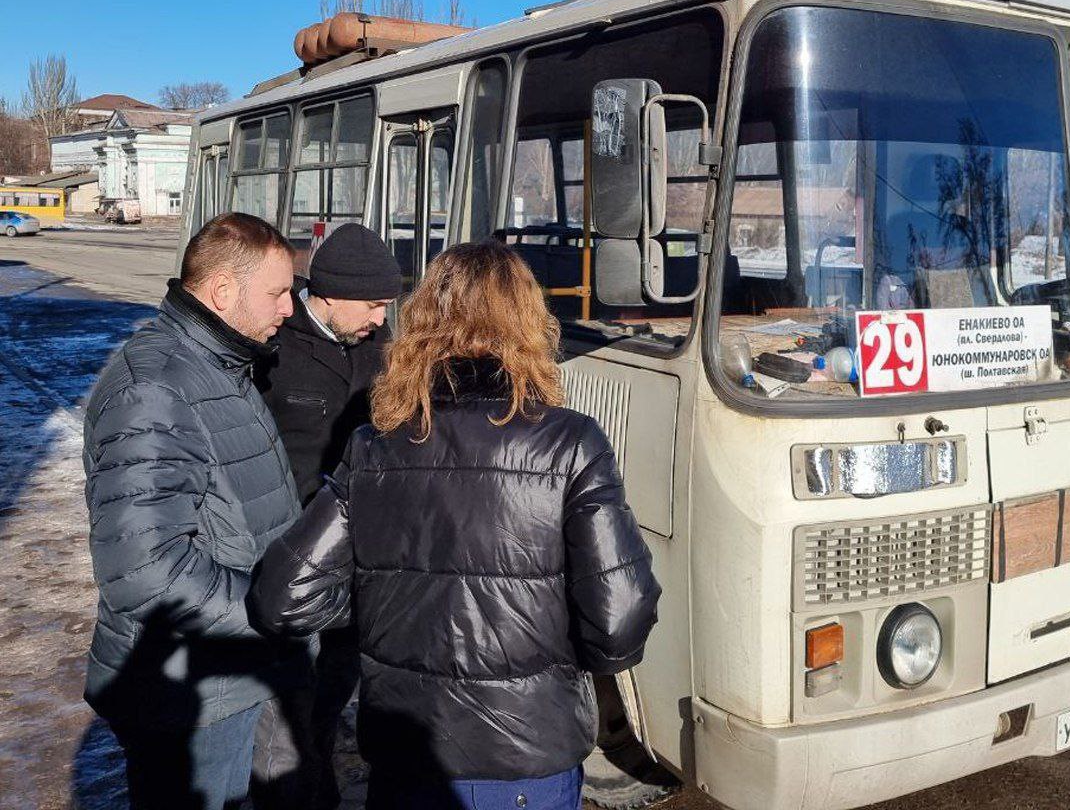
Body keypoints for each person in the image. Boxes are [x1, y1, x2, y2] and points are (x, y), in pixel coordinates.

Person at [249, 241, 661, 810]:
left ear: (422, 324)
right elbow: (619, 617)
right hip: (527, 756)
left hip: (405, 756)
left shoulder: (374, 446)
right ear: (528, 323)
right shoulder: (569, 443)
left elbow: (282, 597)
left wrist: (383, 601)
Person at [82, 212, 305, 810]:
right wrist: (271, 611)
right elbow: (147, 575)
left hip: (228, 674)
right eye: (278, 292)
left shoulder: (220, 367)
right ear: (223, 292)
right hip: (189, 695)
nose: (290, 307)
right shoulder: (153, 389)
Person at [252, 223, 399, 810]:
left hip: (357, 564)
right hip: (290, 559)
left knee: (334, 689)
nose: (381, 320)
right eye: (373, 306)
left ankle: (315, 779)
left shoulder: (379, 351)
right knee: (289, 706)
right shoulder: (273, 349)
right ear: (330, 295)